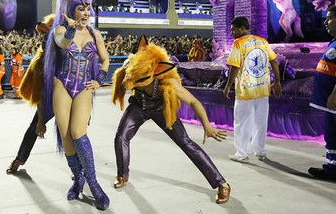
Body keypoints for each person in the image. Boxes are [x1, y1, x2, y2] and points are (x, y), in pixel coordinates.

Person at [112, 36, 230, 204]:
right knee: (121, 137)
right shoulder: (131, 69)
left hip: (162, 111)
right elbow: (125, 81)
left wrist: (207, 126)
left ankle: (221, 183)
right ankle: (122, 174)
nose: (129, 82)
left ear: (155, 73)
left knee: (186, 143)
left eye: (139, 79)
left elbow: (193, 102)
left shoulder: (168, 82)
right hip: (139, 106)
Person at [43, 0, 110, 210]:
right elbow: (63, 42)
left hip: (83, 86)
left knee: (78, 132)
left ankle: (93, 184)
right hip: (62, 84)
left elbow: (105, 60)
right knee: (66, 138)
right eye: (81, 8)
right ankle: (77, 179)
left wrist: (100, 79)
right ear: (71, 9)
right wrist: (71, 27)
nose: (85, 12)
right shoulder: (61, 29)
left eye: (88, 7)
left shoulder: (95, 34)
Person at [224, 16, 281, 163]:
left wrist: (228, 85)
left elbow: (235, 67)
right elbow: (274, 62)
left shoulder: (239, 43)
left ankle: (241, 154)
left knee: (242, 121)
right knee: (261, 120)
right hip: (262, 88)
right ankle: (260, 150)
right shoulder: (262, 41)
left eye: (234, 30)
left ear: (242, 28)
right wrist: (277, 82)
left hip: (245, 90)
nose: (232, 33)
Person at [6, 14, 55, 174]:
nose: (43, 40)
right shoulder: (42, 63)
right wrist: (41, 121)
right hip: (49, 99)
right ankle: (20, 159)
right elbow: (40, 93)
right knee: (34, 127)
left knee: (74, 133)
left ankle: (79, 169)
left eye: (48, 35)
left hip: (69, 98)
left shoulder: (70, 54)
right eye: (44, 36)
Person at [308, 5, 336, 180]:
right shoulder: (333, 42)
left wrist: (334, 93)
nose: (326, 23)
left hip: (333, 99)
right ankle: (332, 168)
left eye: (329, 19)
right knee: (332, 135)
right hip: (329, 103)